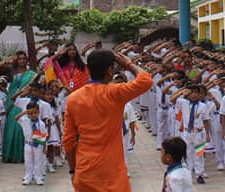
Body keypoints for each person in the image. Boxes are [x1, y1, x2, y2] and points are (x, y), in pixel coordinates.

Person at [62, 50, 153, 191]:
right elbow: (146, 80)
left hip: (85, 170)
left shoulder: (73, 98)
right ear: (110, 70)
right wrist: (128, 64)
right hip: (112, 172)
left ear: (88, 68)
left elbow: (68, 142)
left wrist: (73, 171)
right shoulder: (116, 93)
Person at [0, 51, 36, 163]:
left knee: (21, 128)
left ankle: (21, 156)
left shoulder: (31, 74)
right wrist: (7, 60)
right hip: (12, 102)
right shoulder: (11, 72)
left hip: (25, 101)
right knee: (11, 126)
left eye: (24, 58)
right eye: (19, 59)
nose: (22, 61)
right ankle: (9, 155)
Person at [18, 101, 48, 186]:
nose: (33, 115)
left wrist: (45, 147)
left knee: (38, 161)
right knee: (28, 162)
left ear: (38, 113)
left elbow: (44, 135)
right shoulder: (25, 121)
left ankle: (38, 177)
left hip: (38, 145)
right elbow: (16, 118)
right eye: (30, 113)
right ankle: (28, 177)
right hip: (28, 144)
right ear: (28, 114)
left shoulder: (41, 124)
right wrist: (24, 112)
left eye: (35, 113)